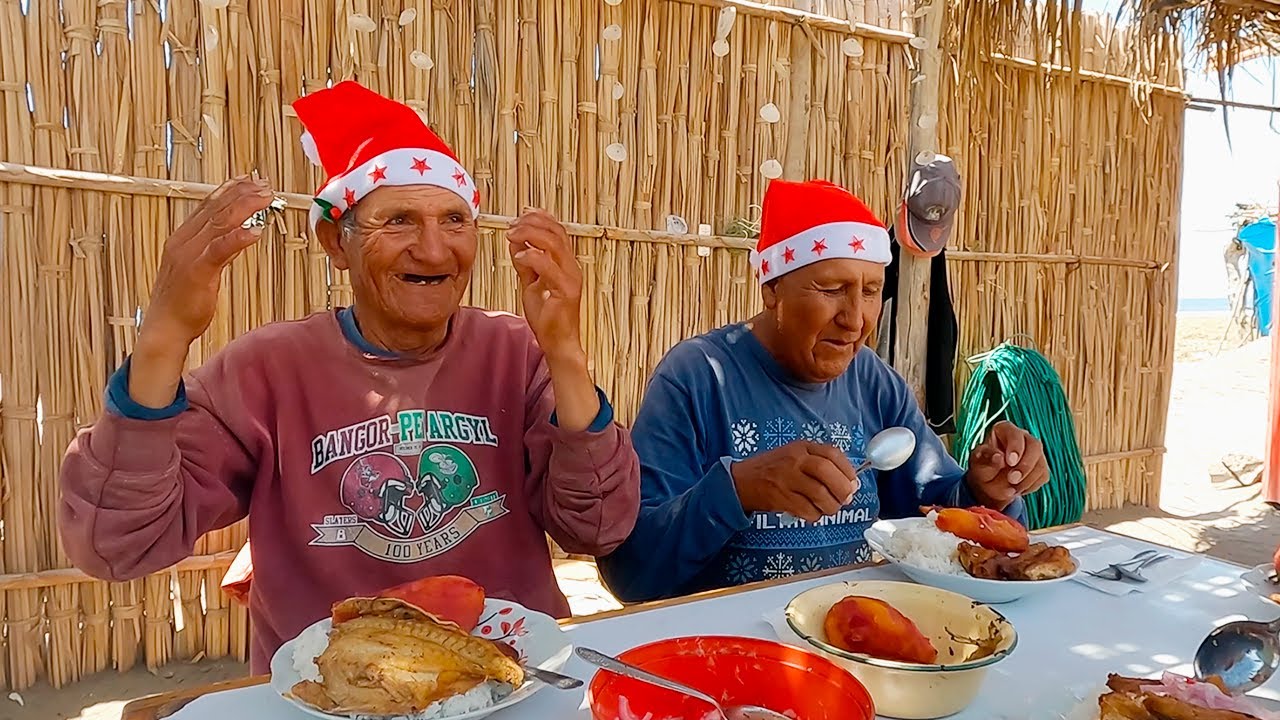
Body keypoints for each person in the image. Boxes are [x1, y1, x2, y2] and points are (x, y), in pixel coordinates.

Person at [58, 81, 640, 673]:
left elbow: (598, 525)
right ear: (337, 241)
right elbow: (117, 543)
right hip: (333, 691)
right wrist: (162, 341)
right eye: (400, 221)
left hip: (511, 676)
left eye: (454, 220)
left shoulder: (516, 354)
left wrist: (565, 351)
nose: (435, 251)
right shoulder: (268, 370)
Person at [597, 178, 1048, 603]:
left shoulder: (874, 383)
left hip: (854, 637)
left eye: (871, 291)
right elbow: (633, 574)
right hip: (729, 654)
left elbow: (938, 514)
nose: (855, 319)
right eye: (832, 288)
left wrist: (986, 493)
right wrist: (736, 490)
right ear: (773, 289)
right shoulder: (698, 378)